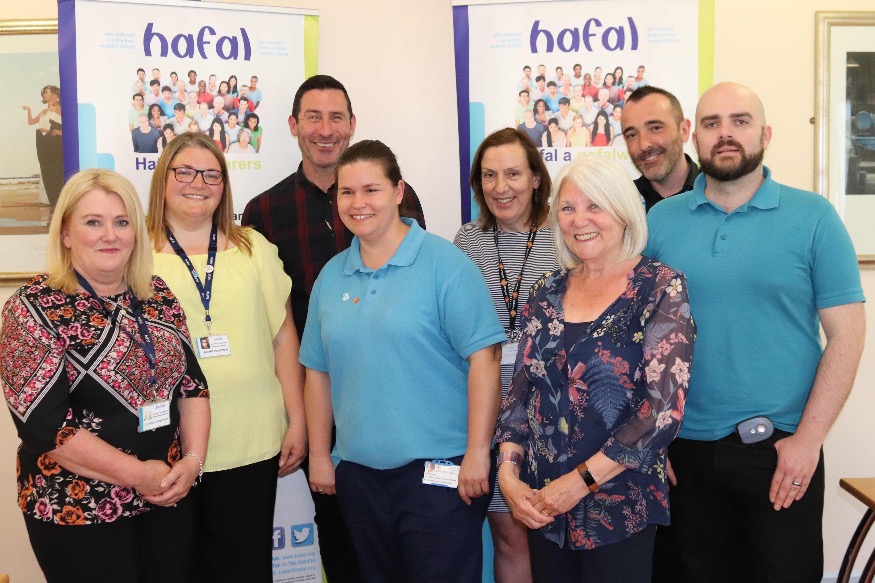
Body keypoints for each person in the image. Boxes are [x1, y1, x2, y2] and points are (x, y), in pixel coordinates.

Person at [646, 82, 865, 583]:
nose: (725, 133)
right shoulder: (660, 222)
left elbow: (848, 334)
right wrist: (652, 439)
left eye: (740, 121)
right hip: (684, 455)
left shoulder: (814, 217)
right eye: (711, 123)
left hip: (781, 452)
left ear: (765, 134)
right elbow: (640, 336)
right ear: (693, 137)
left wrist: (809, 440)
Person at [243, 74, 426, 583]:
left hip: (394, 394)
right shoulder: (262, 212)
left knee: (407, 534)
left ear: (352, 124)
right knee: (341, 536)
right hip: (317, 397)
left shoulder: (398, 200)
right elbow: (269, 322)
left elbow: (417, 292)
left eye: (336, 117)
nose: (325, 130)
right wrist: (296, 416)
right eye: (313, 117)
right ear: (293, 125)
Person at [300, 139, 504, 582]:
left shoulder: (445, 265)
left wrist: (477, 453)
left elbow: (486, 360)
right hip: (358, 476)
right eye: (347, 192)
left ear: (397, 192)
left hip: (440, 473)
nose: (358, 203)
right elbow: (317, 372)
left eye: (371, 189)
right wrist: (320, 455)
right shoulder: (332, 276)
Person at [0, 168, 210, 583]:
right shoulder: (31, 308)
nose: (110, 235)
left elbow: (193, 387)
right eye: (93, 222)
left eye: (122, 222)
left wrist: (193, 462)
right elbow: (45, 427)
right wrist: (140, 476)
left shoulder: (157, 295)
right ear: (66, 234)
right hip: (77, 511)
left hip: (167, 496)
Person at [496, 154, 695, 583]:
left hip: (619, 506)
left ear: (622, 213)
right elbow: (519, 395)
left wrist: (577, 483)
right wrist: (508, 475)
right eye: (568, 208)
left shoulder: (659, 286)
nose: (579, 220)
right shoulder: (545, 292)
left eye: (595, 206)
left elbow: (661, 412)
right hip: (542, 505)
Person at [147, 132, 304, 582]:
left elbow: (283, 337)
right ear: (163, 179)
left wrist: (297, 419)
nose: (198, 183)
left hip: (250, 437)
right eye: (185, 172)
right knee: (175, 570)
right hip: (166, 446)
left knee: (244, 568)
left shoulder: (254, 248)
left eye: (211, 174)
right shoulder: (135, 252)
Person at [454, 128, 559, 583]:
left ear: (535, 178)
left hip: (557, 413)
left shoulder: (567, 235)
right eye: (489, 175)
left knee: (559, 539)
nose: (501, 187)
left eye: (513, 174)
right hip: (491, 414)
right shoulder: (468, 241)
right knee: (510, 537)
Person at [621, 86, 699, 212]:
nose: (644, 145)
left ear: (684, 130)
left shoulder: (720, 192)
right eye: (632, 135)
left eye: (655, 128)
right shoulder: (620, 206)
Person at [22, 84, 64, 208]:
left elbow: (70, 125)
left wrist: (61, 132)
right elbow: (31, 122)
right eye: (44, 93)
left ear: (54, 95)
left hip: (54, 142)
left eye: (46, 92)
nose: (44, 94)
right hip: (43, 142)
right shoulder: (44, 111)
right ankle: (53, 202)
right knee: (46, 171)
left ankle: (60, 201)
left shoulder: (61, 109)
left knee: (55, 170)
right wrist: (29, 110)